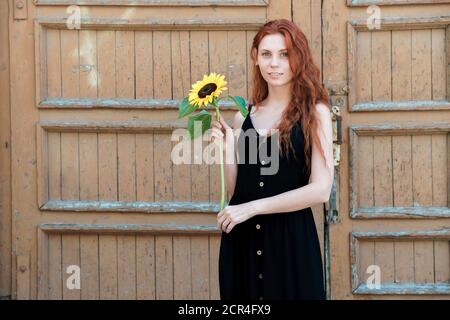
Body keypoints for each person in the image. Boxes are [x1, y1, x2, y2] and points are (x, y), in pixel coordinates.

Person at [210, 19, 334, 300]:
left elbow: (321, 188)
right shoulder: (244, 117)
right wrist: (228, 150)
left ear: (298, 57)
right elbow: (236, 192)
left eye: (284, 54)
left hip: (291, 245)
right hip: (242, 244)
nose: (274, 63)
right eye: (266, 54)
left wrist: (252, 208)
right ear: (255, 59)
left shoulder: (316, 113)